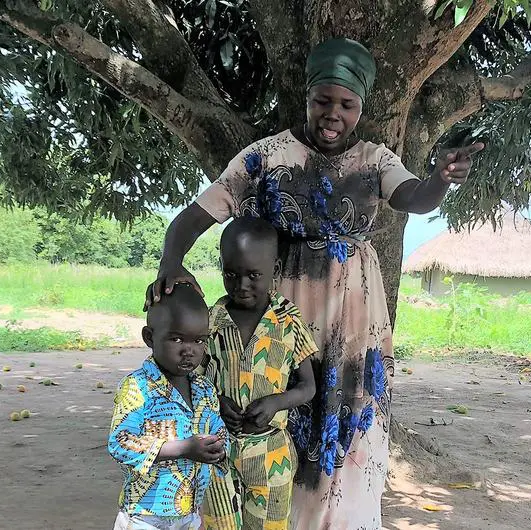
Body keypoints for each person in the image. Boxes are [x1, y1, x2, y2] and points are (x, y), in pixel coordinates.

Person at [145, 37, 483, 529]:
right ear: (306, 98)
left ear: (360, 107)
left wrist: (441, 179)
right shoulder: (266, 155)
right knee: (276, 410)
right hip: (281, 307)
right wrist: (170, 263)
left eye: (346, 105)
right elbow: (198, 214)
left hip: (355, 311)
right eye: (322, 101)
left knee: (346, 415)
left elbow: (414, 197)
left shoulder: (375, 160)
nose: (333, 114)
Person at [199, 217, 318, 530]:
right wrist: (216, 400)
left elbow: (308, 388)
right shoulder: (211, 321)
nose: (241, 285)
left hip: (270, 455)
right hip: (217, 451)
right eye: (231, 274)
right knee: (218, 525)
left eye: (253, 275)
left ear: (275, 271)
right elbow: (192, 380)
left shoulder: (289, 321)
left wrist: (276, 403)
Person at [107, 285, 230, 530]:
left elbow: (219, 428)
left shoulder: (204, 388)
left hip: (190, 511)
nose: (189, 350)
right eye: (176, 339)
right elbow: (120, 443)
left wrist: (219, 448)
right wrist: (182, 448)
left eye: (198, 340)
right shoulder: (138, 387)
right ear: (149, 337)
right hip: (145, 515)